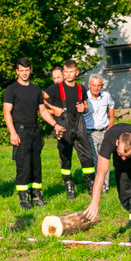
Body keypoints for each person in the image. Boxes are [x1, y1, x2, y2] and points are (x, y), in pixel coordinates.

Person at [3, 58, 64, 210]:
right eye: (21, 70)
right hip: (20, 131)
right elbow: (7, 112)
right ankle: (24, 198)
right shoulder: (11, 89)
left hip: (35, 131)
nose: (24, 73)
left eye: (27, 70)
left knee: (36, 165)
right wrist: (13, 133)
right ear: (17, 71)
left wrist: (55, 124)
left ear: (31, 70)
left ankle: (36, 195)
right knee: (24, 166)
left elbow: (42, 110)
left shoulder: (36, 89)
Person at [44, 60, 96, 200]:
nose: (68, 75)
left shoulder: (81, 88)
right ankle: (69, 185)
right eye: (66, 72)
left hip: (79, 122)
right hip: (64, 122)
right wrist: (53, 109)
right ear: (63, 73)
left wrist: (84, 109)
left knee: (87, 155)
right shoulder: (56, 88)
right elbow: (41, 99)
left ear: (76, 72)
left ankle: (90, 184)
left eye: (71, 72)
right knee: (65, 156)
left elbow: (86, 107)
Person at [84, 74, 115, 192]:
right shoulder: (84, 97)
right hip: (90, 133)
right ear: (89, 86)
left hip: (104, 132)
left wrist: (111, 122)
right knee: (95, 160)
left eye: (99, 85)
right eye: (94, 85)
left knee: (105, 159)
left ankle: (105, 186)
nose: (96, 88)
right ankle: (96, 185)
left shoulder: (106, 96)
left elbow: (111, 106)